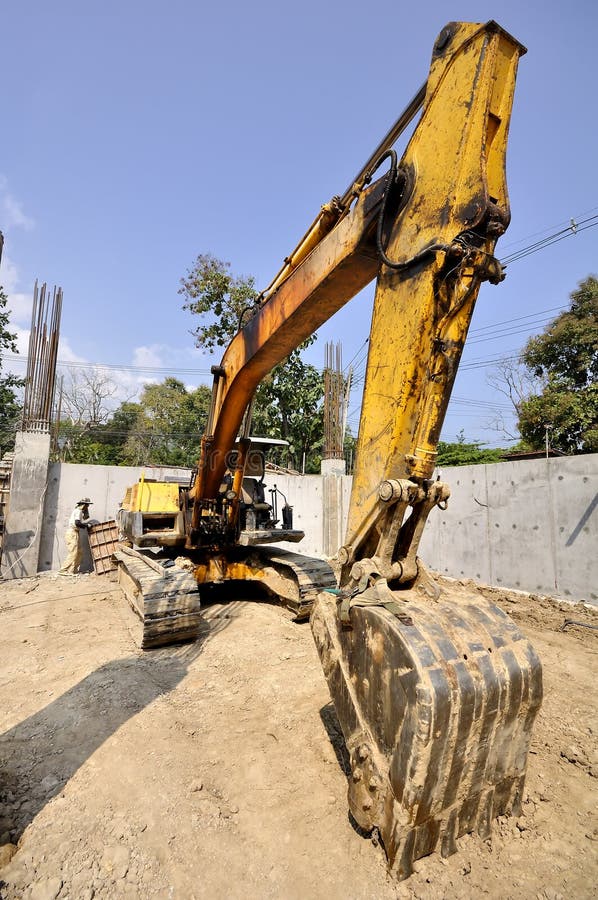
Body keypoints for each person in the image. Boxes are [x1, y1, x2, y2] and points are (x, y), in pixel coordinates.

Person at [58, 498, 94, 575]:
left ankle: (73, 570)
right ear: (83, 505)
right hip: (72, 533)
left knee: (79, 552)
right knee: (73, 552)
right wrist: (87, 525)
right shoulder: (78, 511)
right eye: (87, 505)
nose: (88, 507)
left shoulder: (79, 511)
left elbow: (83, 519)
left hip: (75, 532)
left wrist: (86, 514)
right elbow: (77, 523)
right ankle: (63, 570)